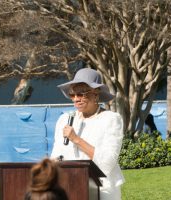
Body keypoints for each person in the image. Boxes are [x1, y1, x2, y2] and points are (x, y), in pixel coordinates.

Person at [50, 68, 125, 200]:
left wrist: (76, 139)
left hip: (103, 190)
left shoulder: (111, 119)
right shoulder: (64, 120)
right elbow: (55, 156)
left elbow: (108, 162)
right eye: (72, 95)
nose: (76, 99)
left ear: (96, 94)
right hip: (69, 188)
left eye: (81, 94)